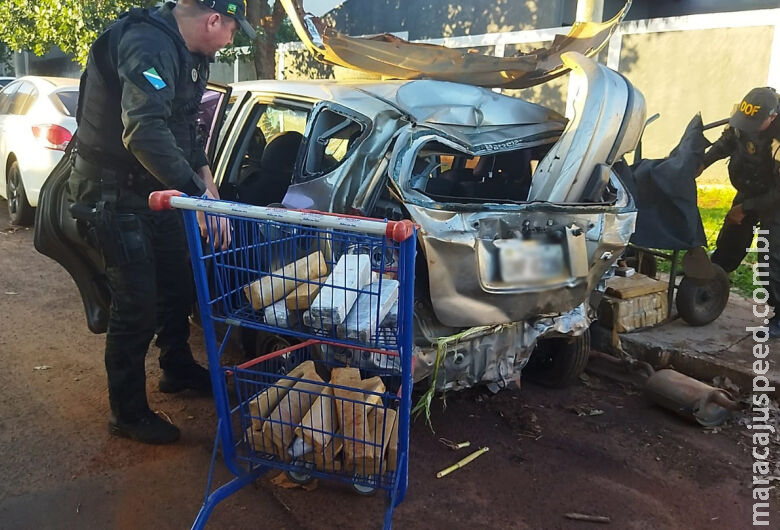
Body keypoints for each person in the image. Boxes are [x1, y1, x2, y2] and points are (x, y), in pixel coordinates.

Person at [68, 0, 255, 444]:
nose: (231, 41)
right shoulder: (146, 43)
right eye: (232, 30)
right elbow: (145, 131)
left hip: (159, 192)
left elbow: (186, 128)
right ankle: (127, 413)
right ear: (213, 20)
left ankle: (177, 366)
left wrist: (209, 188)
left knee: (179, 277)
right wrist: (194, 194)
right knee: (137, 302)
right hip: (112, 193)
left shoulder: (191, 54)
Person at [702, 86, 780, 335]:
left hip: (776, 199)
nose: (748, 126)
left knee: (771, 255)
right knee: (732, 236)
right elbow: (727, 142)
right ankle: (714, 276)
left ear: (773, 117)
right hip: (751, 186)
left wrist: (746, 208)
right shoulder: (743, 119)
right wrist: (703, 162)